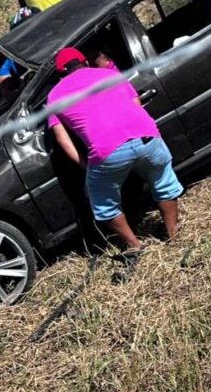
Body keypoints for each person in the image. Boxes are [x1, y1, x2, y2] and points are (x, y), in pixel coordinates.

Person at [46, 47, 183, 254]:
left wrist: (86, 165)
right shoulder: (110, 75)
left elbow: (61, 138)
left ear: (60, 75)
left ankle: (135, 246)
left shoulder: (54, 96)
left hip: (108, 151)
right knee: (164, 181)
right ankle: (173, 234)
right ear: (85, 62)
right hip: (148, 137)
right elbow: (136, 104)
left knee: (103, 204)